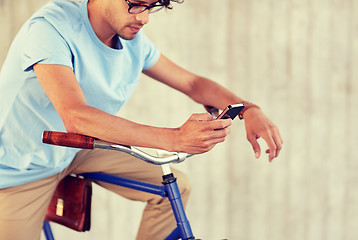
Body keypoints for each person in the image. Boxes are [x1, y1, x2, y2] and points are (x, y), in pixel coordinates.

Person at [0, 0, 283, 239]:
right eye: (136, 4)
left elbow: (193, 83)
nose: (144, 18)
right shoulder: (50, 29)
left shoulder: (131, 40)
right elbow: (76, 116)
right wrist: (176, 138)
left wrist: (249, 109)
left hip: (75, 148)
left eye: (152, 6)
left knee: (173, 189)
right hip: (20, 164)